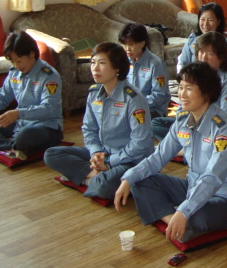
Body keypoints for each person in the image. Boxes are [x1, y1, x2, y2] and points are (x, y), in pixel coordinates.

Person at [114, 62, 227, 243]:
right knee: (140, 180)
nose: (181, 94)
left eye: (189, 88)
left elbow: (213, 177)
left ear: (206, 92)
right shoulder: (183, 121)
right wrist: (128, 178)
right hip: (193, 187)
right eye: (180, 87)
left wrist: (185, 210)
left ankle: (177, 219)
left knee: (198, 216)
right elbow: (158, 157)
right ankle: (173, 221)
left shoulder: (225, 129)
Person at [44, 43, 153, 200]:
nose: (95, 68)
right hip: (104, 154)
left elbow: (140, 144)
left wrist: (109, 162)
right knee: (51, 154)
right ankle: (93, 176)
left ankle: (86, 178)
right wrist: (95, 153)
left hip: (129, 160)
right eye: (93, 62)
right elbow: (89, 129)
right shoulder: (94, 93)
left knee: (104, 187)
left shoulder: (133, 99)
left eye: (102, 63)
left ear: (117, 68)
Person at [0, 30, 63, 160]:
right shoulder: (14, 73)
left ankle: (15, 145)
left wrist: (18, 113)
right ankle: (14, 147)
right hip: (20, 124)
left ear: (31, 54)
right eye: (12, 62)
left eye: (19, 61)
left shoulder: (49, 76)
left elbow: (48, 109)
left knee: (25, 136)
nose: (16, 66)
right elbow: (2, 97)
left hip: (45, 127)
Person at [151, 31, 227, 141]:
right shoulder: (195, 76)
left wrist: (198, 129)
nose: (203, 58)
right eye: (201, 52)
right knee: (156, 124)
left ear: (221, 57)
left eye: (209, 54)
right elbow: (182, 109)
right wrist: (184, 127)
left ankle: (186, 144)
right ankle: (185, 142)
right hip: (192, 125)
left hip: (215, 133)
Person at [119, 23, 170, 119]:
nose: (127, 49)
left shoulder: (156, 64)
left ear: (142, 43)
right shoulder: (125, 62)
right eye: (124, 44)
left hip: (151, 110)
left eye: (131, 44)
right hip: (130, 107)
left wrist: (136, 104)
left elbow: (159, 95)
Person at [177, 2, 227, 74]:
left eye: (210, 20)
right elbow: (182, 62)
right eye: (202, 19)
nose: (205, 24)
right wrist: (183, 77)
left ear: (218, 22)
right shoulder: (192, 39)